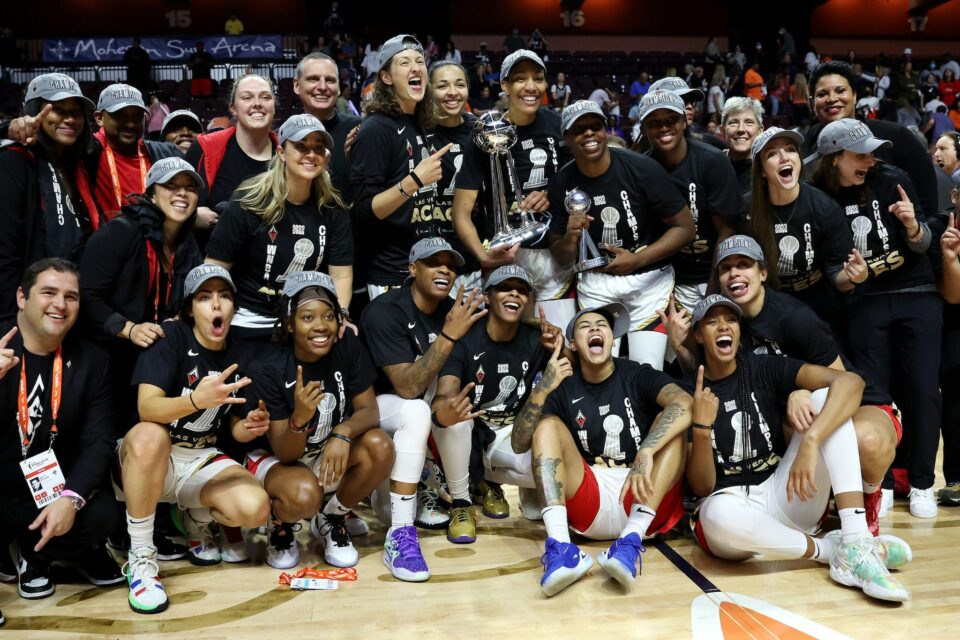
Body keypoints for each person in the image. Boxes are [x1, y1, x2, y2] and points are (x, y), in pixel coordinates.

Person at [666, 235, 902, 534]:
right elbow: (712, 383)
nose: (734, 273)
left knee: (862, 438)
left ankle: (866, 503)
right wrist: (682, 349)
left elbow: (842, 383)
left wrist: (802, 397)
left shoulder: (795, 318)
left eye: (744, 265)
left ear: (763, 273)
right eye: (726, 269)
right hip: (793, 411)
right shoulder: (729, 322)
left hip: (860, 405)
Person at [684, 295, 911, 602]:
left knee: (822, 399)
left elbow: (850, 382)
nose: (724, 326)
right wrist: (700, 427)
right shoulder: (688, 391)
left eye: (731, 320)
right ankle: (833, 551)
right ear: (698, 334)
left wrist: (813, 438)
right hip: (734, 516)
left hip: (784, 494)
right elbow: (702, 487)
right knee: (715, 514)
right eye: (712, 322)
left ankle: (856, 538)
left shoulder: (762, 367)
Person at [117, 264, 270, 613]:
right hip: (152, 458)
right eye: (204, 298)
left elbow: (230, 423)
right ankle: (141, 558)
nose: (216, 305)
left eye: (224, 297)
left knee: (256, 509)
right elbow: (147, 408)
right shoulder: (170, 337)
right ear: (189, 309)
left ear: (234, 307)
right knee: (147, 436)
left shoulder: (238, 350)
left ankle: (195, 520)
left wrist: (247, 427)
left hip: (200, 457)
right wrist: (194, 400)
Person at [510, 302, 692, 596]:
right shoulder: (563, 386)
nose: (595, 328)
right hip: (590, 497)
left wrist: (646, 451)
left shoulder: (636, 373)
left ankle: (630, 542)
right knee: (545, 425)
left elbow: (685, 403)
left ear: (611, 339)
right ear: (573, 344)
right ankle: (561, 548)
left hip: (642, 493)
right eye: (584, 326)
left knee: (671, 422)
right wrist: (542, 389)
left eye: (602, 325)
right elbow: (519, 442)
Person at [808, 118, 942, 519]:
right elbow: (829, 270)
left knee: (922, 390)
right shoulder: (817, 195)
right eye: (859, 154)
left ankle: (921, 483)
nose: (870, 159)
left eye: (871, 152)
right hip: (862, 303)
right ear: (834, 159)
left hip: (915, 294)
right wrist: (850, 280)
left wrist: (912, 225)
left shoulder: (892, 178)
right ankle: (878, 483)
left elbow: (922, 244)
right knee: (874, 394)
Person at [245, 271, 393, 569]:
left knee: (381, 446)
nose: (321, 326)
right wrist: (300, 417)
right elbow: (286, 453)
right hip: (278, 459)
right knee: (303, 496)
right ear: (289, 324)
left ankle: (332, 516)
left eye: (329, 316)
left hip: (324, 447)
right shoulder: (268, 366)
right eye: (308, 317)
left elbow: (369, 411)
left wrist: (342, 432)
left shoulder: (346, 346)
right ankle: (281, 524)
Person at [359, 237, 487, 581]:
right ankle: (399, 533)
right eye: (433, 262)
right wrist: (447, 337)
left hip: (417, 409)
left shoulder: (453, 313)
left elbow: (447, 385)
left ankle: (460, 502)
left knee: (459, 414)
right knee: (415, 409)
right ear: (412, 269)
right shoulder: (385, 310)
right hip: (373, 413)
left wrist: (445, 413)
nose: (444, 269)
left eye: (450, 264)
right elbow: (406, 386)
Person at [0, 258, 123, 601]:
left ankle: (36, 555)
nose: (60, 304)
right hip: (2, 484)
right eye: (49, 292)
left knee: (101, 515)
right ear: (22, 297)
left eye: (71, 296)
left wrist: (71, 499)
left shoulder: (93, 360)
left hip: (50, 485)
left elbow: (99, 440)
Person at [547, 100, 694, 367]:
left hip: (648, 280)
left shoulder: (642, 168)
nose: (589, 134)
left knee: (647, 369)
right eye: (579, 130)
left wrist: (638, 260)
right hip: (596, 282)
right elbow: (560, 257)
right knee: (599, 369)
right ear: (567, 138)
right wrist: (570, 237)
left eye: (595, 126)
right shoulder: (560, 184)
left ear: (605, 130)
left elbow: (685, 228)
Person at [431, 265, 558, 540]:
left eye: (522, 290)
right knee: (454, 421)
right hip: (471, 428)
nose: (514, 294)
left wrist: (562, 346)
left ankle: (488, 480)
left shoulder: (539, 339)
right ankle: (461, 502)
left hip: (511, 430)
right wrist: (445, 412)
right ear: (488, 296)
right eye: (505, 288)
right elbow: (443, 395)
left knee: (544, 465)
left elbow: (570, 379)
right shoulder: (466, 338)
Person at [453, 49, 576, 329]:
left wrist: (551, 195)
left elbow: (580, 182)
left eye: (538, 78)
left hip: (554, 253)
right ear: (505, 86)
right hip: (507, 256)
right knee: (510, 345)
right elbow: (461, 211)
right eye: (520, 79)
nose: (530, 87)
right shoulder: (486, 132)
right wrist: (483, 255)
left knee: (558, 343)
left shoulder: (559, 126)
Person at [79, 157, 204, 428]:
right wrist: (129, 329)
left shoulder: (190, 244)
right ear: (151, 193)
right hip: (106, 357)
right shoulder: (121, 232)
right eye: (171, 185)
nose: (182, 193)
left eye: (190, 187)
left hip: (150, 361)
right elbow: (85, 295)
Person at [205, 114, 352, 340]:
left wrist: (341, 314)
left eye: (318, 148)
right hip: (248, 318)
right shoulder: (248, 202)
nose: (311, 155)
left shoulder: (333, 208)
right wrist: (213, 316)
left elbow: (340, 275)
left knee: (349, 341)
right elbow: (215, 268)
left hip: (306, 321)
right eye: (301, 147)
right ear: (281, 152)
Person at [350, 35, 449, 301]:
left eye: (420, 61)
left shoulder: (423, 122)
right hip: (392, 276)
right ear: (385, 77)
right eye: (404, 63)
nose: (416, 68)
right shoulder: (375, 129)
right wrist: (414, 180)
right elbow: (363, 212)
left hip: (428, 268)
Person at [0, 73, 100, 323]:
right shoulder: (13, 160)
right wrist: (8, 322)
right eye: (57, 110)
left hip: (74, 301)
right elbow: (6, 252)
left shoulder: (81, 162)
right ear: (34, 113)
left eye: (75, 112)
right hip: (29, 310)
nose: (69, 119)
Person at [745, 127, 864, 330]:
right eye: (772, 153)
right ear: (762, 171)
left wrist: (854, 277)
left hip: (817, 304)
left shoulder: (823, 206)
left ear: (799, 159)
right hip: (768, 305)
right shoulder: (747, 210)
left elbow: (837, 273)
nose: (784, 158)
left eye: (790, 150)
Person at [638, 89, 742, 310]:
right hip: (665, 279)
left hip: (712, 274)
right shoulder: (641, 168)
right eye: (654, 122)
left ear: (684, 121)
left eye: (671, 119)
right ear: (644, 128)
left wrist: (712, 292)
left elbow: (726, 231)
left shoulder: (712, 161)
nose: (664, 127)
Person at [801, 61, 939, 219]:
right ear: (812, 102)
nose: (832, 98)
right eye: (822, 94)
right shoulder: (801, 147)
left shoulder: (897, 137)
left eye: (840, 90)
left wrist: (919, 236)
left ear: (854, 96)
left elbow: (928, 207)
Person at [185, 74, 278, 237]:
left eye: (265, 97)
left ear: (274, 106)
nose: (257, 103)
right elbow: (173, 204)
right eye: (247, 97)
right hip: (211, 257)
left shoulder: (288, 153)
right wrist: (191, 217)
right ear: (233, 108)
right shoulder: (205, 148)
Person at [427, 61, 484, 289]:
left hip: (473, 258)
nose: (452, 93)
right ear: (428, 90)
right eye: (442, 86)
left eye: (460, 85)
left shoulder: (481, 132)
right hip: (427, 257)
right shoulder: (414, 130)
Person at [293, 52, 361, 198]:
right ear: (297, 85)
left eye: (330, 80)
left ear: (338, 87)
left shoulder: (361, 130)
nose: (323, 87)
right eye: (313, 79)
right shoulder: (282, 138)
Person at [720, 96, 764, 195]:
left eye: (749, 122)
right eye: (733, 123)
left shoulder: (771, 170)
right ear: (722, 131)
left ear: (760, 131)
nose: (741, 129)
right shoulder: (710, 168)